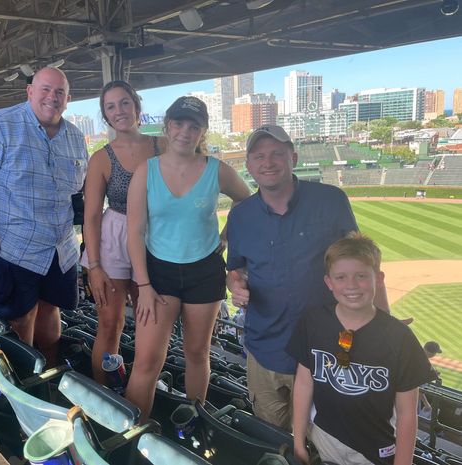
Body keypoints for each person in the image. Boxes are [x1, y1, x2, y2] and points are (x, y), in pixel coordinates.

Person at [226, 125, 390, 430]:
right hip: (264, 350)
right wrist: (235, 284)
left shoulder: (331, 200)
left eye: (277, 153)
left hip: (325, 353)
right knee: (273, 441)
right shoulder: (239, 217)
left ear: (294, 157)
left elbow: (363, 264)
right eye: (258, 156)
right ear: (248, 166)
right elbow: (235, 269)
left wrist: (384, 325)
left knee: (323, 443)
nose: (268, 161)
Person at [125, 96, 250, 419]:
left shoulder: (216, 170)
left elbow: (245, 200)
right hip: (158, 274)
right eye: (178, 123)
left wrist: (226, 236)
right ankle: (130, 433)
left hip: (204, 272)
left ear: (203, 131)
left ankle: (196, 421)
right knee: (147, 360)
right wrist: (144, 285)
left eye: (193, 126)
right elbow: (135, 232)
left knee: (197, 353)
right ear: (167, 127)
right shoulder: (146, 171)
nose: (185, 131)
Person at [0, 67, 88, 364]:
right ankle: (24, 378)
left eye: (59, 92)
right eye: (45, 89)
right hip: (15, 246)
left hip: (60, 249)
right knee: (20, 318)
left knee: (51, 308)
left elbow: (78, 191)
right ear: (29, 91)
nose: (52, 97)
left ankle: (50, 371)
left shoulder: (76, 137)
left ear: (68, 98)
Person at [287, 232, 435, 465]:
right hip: (324, 438)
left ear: (379, 278)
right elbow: (304, 383)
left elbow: (407, 414)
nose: (351, 286)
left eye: (361, 276)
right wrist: (298, 442)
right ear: (329, 282)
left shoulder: (401, 337)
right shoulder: (312, 322)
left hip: (375, 450)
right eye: (341, 277)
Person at [81, 80, 165, 384]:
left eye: (125, 103)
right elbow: (90, 216)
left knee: (150, 321)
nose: (119, 111)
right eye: (111, 106)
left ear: (137, 106)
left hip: (155, 239)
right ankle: (104, 395)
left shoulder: (162, 145)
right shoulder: (101, 158)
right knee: (110, 324)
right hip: (114, 239)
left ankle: (142, 384)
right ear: (105, 115)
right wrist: (94, 265)